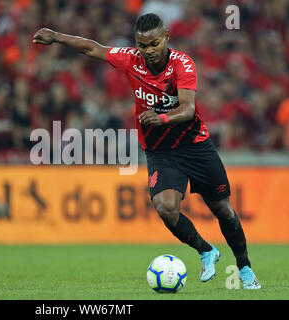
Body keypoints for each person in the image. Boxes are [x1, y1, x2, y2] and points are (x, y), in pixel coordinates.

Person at [33, 13, 261, 289]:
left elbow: (188, 109)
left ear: (166, 37)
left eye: (154, 43)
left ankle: (245, 267)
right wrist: (57, 37)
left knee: (223, 209)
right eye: (142, 45)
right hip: (161, 152)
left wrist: (161, 117)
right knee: (165, 207)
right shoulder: (131, 60)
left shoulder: (183, 64)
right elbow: (93, 48)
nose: (149, 51)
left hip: (196, 146)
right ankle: (205, 250)